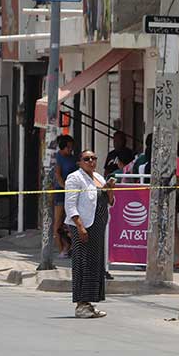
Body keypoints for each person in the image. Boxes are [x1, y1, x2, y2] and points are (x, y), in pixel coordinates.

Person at [64, 149, 116, 319]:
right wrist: (80, 226)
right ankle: (81, 305)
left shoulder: (99, 177)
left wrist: (110, 189)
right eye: (87, 159)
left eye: (94, 158)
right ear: (80, 162)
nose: (91, 161)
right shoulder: (74, 178)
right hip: (83, 226)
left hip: (98, 227)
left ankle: (89, 304)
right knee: (83, 263)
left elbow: (110, 201)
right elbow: (70, 205)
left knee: (95, 265)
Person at [52, 135, 79, 257]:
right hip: (61, 193)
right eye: (68, 147)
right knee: (59, 221)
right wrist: (66, 188)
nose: (70, 149)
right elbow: (58, 176)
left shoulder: (73, 158)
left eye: (71, 147)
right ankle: (62, 248)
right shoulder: (58, 158)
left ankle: (72, 246)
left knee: (72, 220)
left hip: (74, 193)